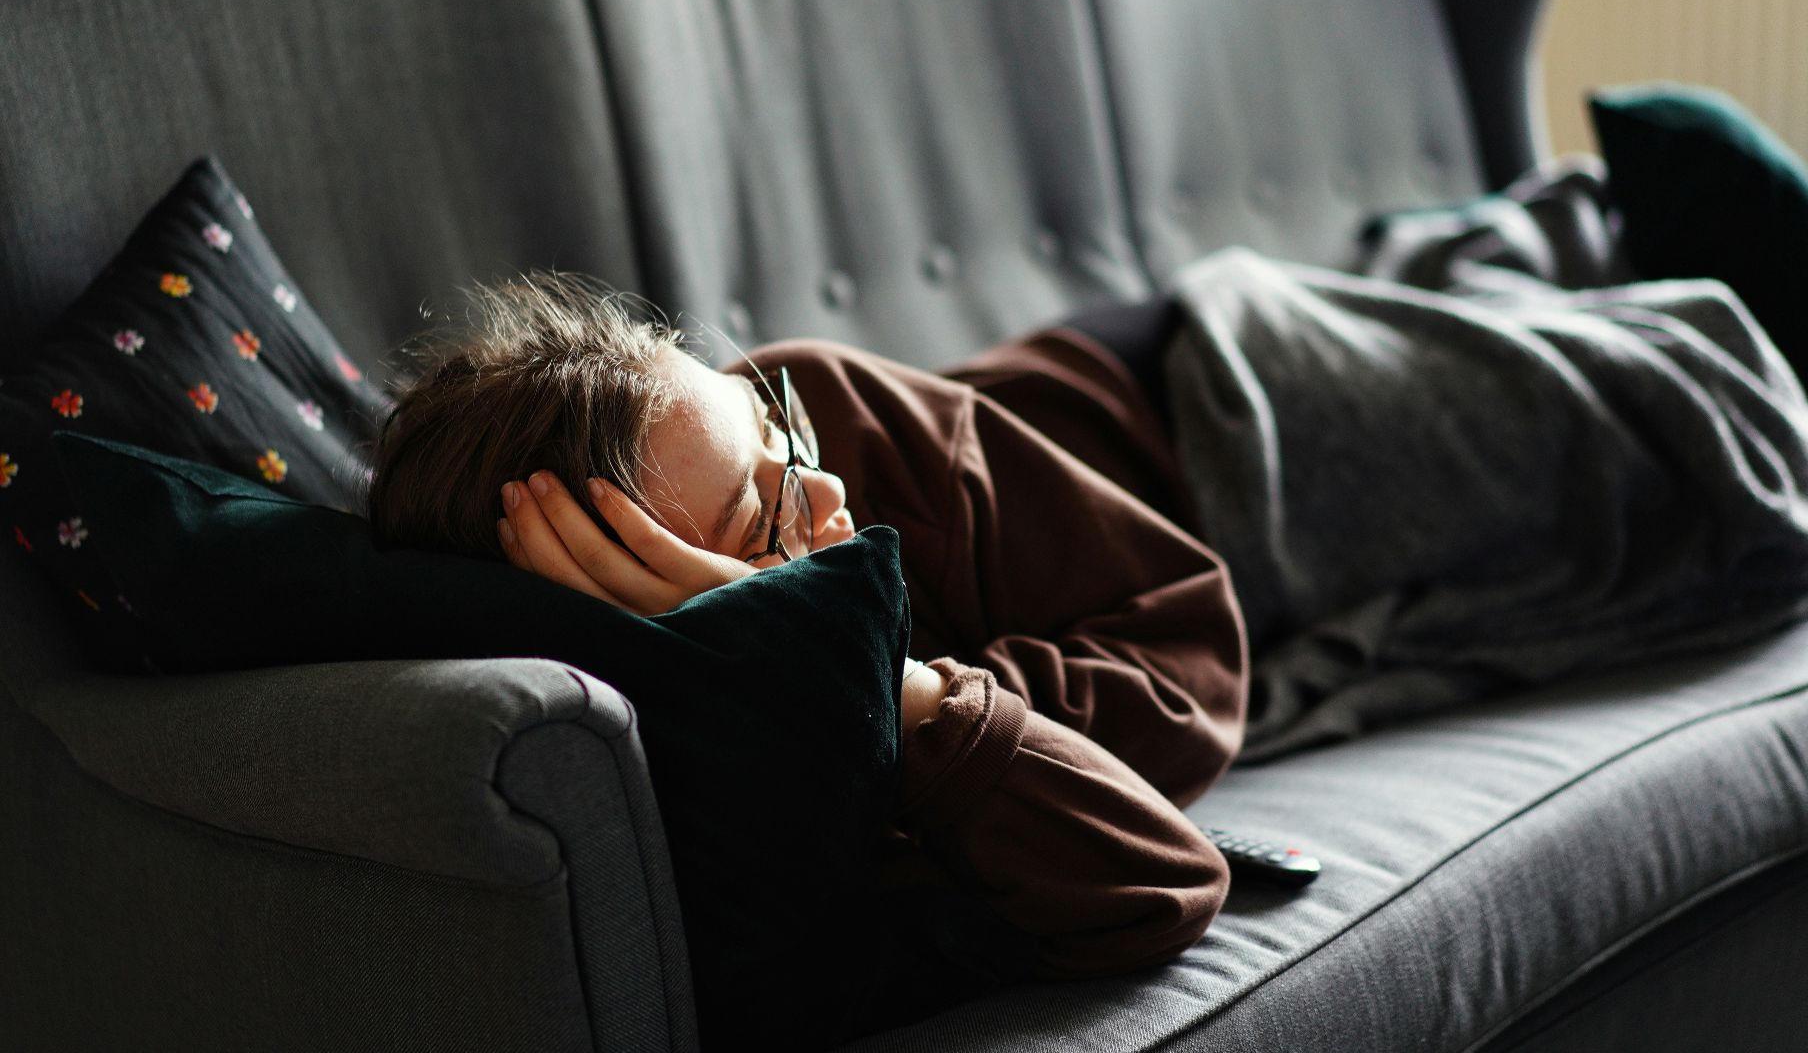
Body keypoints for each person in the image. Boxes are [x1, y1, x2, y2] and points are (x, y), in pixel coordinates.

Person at [366, 273, 1248, 984]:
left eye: (771, 426)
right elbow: (1161, 880)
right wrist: (874, 677)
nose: (824, 492)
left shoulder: (831, 405)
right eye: (761, 521)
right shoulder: (737, 764)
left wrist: (913, 694)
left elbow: (1194, 661)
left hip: (1205, 384)